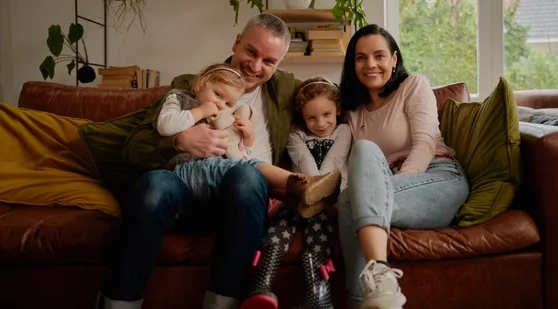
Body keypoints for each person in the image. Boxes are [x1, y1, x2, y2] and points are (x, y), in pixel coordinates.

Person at [97, 13, 308, 309]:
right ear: (236, 43)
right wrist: (178, 140)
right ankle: (117, 304)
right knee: (154, 184)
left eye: (269, 61)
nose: (256, 66)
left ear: (279, 64)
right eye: (251, 51)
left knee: (246, 177)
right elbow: (133, 147)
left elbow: (334, 100)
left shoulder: (286, 90)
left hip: (243, 201)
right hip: (183, 192)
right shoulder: (192, 85)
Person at [337, 25, 470, 309]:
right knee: (349, 192)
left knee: (353, 196)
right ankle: (376, 297)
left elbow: (425, 145)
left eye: (379, 55)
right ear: (353, 64)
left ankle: (377, 281)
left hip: (435, 178)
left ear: (394, 59)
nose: (370, 64)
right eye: (360, 58)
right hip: (387, 186)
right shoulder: (353, 110)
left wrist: (388, 187)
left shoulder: (414, 85)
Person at [154, 62, 341, 206]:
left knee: (244, 168)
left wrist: (247, 139)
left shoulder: (221, 118)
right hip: (185, 169)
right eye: (218, 95)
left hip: (215, 176)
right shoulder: (179, 98)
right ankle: (301, 185)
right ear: (202, 83)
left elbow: (234, 153)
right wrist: (199, 113)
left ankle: (300, 197)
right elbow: (165, 126)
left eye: (228, 104)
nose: (221, 105)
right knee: (247, 169)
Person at [240, 77, 351, 309]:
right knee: (279, 226)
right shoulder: (296, 135)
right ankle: (261, 285)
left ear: (338, 109)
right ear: (302, 116)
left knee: (318, 232)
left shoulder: (343, 131)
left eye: (327, 114)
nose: (320, 123)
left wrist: (319, 193)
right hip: (298, 196)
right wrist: (309, 190)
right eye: (311, 117)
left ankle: (319, 297)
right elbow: (304, 163)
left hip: (329, 199)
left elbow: (333, 161)